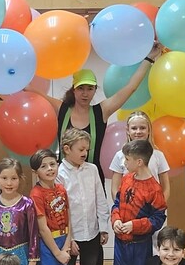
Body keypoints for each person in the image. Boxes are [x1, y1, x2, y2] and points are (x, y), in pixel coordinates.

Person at [29, 55, 158, 179]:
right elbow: (34, 93)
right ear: (74, 90)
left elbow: (131, 88)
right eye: (81, 88)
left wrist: (149, 58)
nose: (85, 94)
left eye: (90, 89)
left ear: (95, 90)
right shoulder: (62, 109)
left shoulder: (101, 111)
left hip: (93, 180)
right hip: (63, 180)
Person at [111, 139, 167, 265]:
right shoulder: (126, 178)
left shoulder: (154, 189)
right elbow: (116, 204)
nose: (124, 163)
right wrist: (116, 220)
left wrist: (134, 226)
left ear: (139, 162)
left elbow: (158, 218)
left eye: (127, 159)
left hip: (139, 245)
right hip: (120, 244)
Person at [57, 128, 110, 265]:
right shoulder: (59, 173)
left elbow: (100, 199)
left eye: (86, 149)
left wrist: (103, 227)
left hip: (92, 232)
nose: (85, 153)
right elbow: (61, 210)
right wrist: (69, 239)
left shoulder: (92, 169)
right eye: (80, 149)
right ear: (67, 149)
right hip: (71, 237)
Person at [109, 110, 171, 201]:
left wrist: (159, 205)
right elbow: (115, 188)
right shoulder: (120, 155)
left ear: (149, 130)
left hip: (153, 206)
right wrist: (121, 205)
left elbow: (166, 188)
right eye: (134, 128)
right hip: (127, 207)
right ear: (128, 130)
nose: (138, 132)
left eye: (142, 128)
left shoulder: (158, 155)